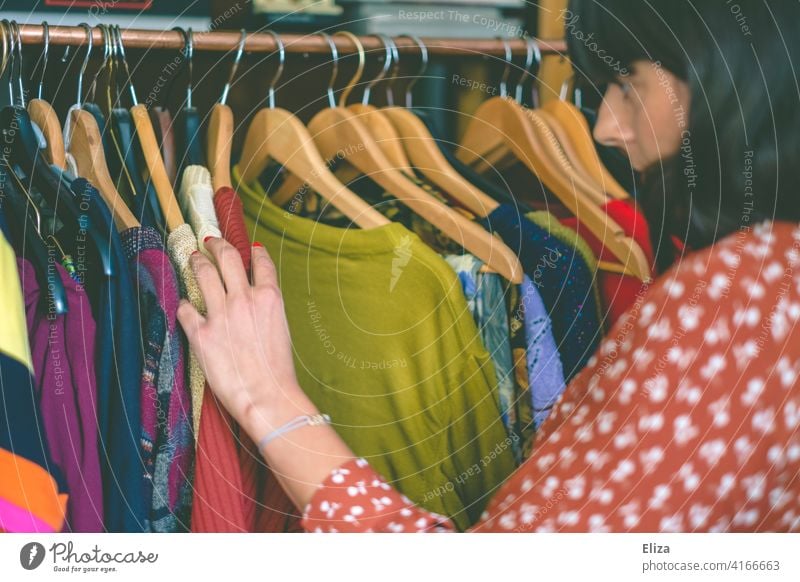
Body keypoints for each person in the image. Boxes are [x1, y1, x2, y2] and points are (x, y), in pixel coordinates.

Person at [177, 0, 800, 532]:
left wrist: (270, 399)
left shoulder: (737, 302)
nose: (607, 127)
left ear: (732, 77)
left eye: (631, 80)